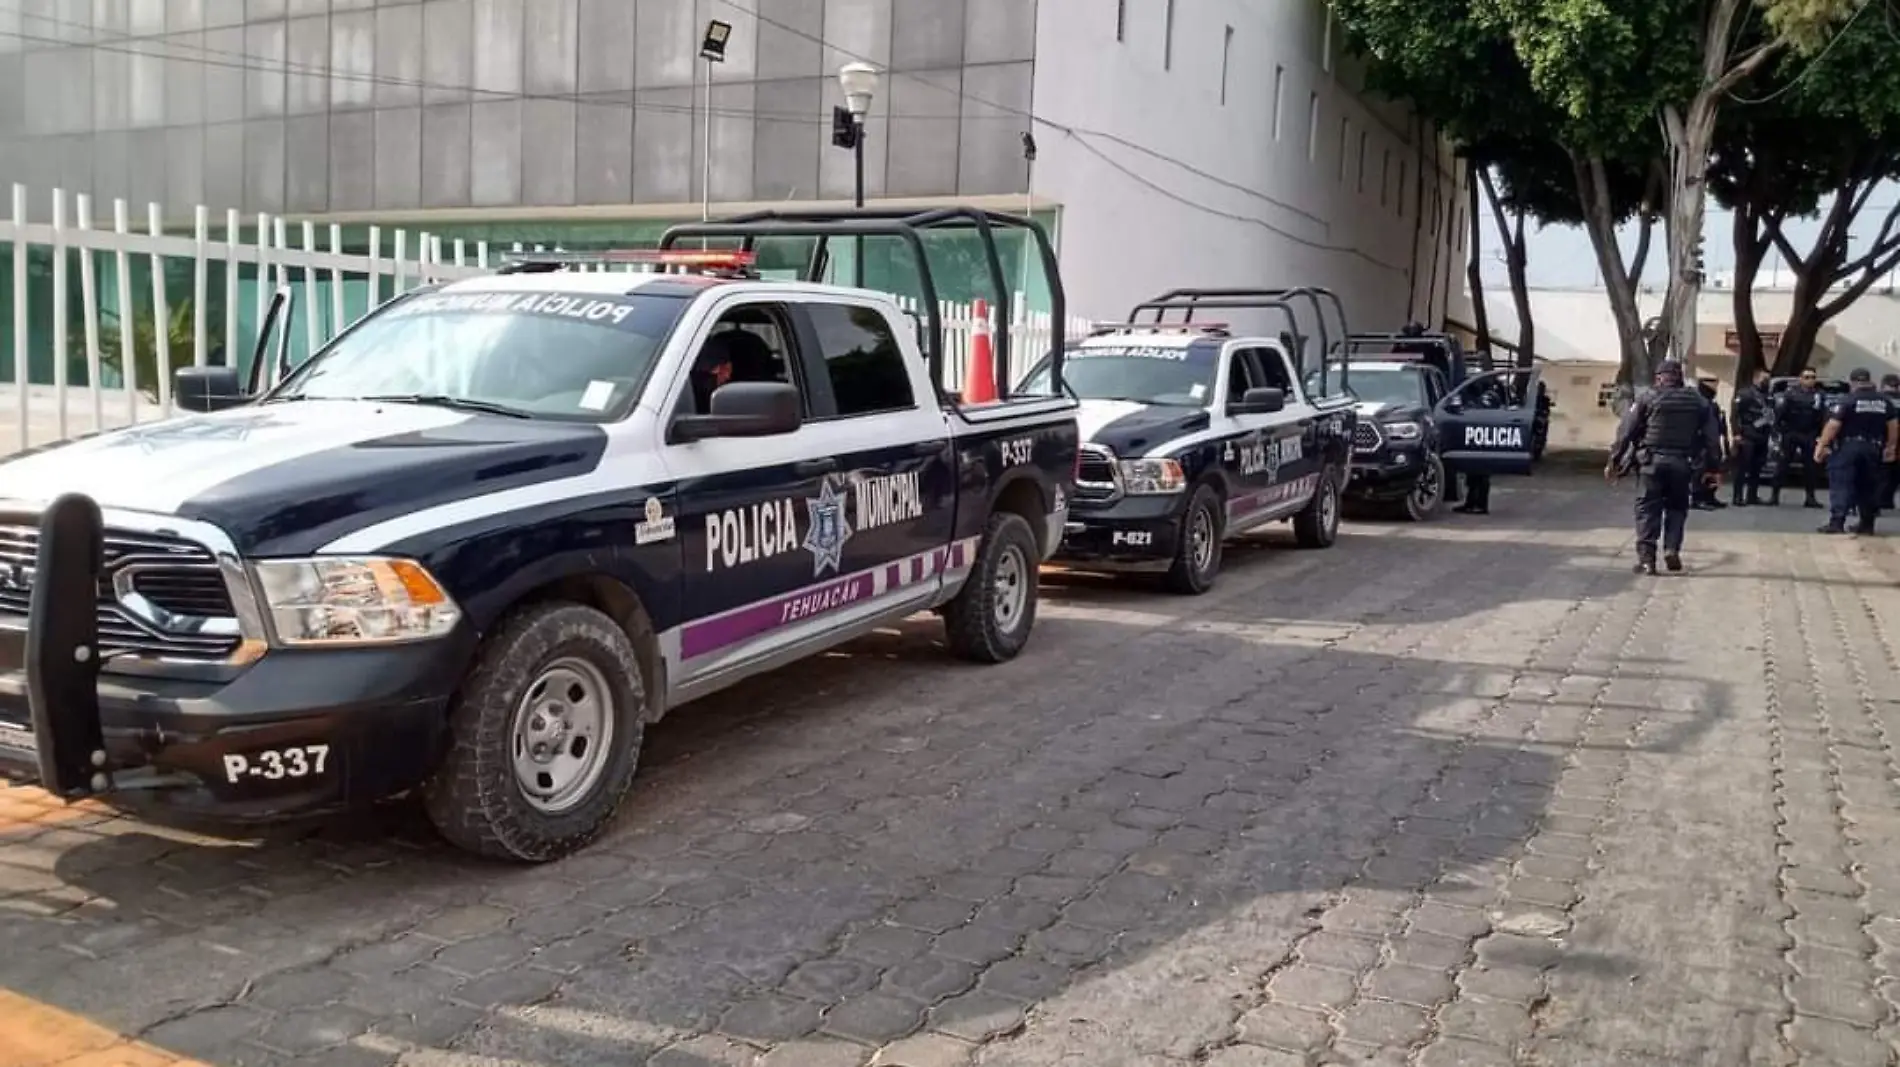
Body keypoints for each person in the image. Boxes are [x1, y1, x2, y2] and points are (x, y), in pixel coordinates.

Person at [1608, 359, 1723, 575]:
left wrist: (1614, 460)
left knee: (1646, 510)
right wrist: (1714, 468)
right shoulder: (1698, 400)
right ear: (1679, 376)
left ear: (1659, 377)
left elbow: (1626, 431)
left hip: (1651, 463)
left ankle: (1647, 560)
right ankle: (1671, 549)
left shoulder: (1648, 398)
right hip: (1683, 463)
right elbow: (1711, 438)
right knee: (1677, 508)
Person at [1813, 367, 1899, 536]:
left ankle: (1837, 522)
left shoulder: (1848, 400)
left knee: (1841, 484)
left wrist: (1821, 445)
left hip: (1849, 447)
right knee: (1869, 486)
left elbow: (1833, 425)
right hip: (1874, 447)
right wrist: (1891, 447)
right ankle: (1867, 524)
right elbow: (1893, 426)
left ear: (1853, 382)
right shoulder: (1884, 402)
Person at [1772, 368, 1827, 508]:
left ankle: (1810, 498)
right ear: (1801, 379)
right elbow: (1780, 414)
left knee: (1811, 468)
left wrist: (1822, 435)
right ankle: (1774, 496)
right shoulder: (1790, 394)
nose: (1810, 380)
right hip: (1792, 433)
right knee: (1783, 465)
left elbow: (1823, 416)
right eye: (1807, 377)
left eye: (1813, 377)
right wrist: (1780, 432)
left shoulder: (1819, 395)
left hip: (1810, 434)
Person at [1729, 368, 1773, 506]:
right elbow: (1735, 415)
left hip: (1762, 435)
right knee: (1742, 467)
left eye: (1768, 379)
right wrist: (1736, 433)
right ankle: (1737, 497)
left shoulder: (1767, 396)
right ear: (1755, 379)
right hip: (1747, 435)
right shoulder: (1745, 394)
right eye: (1764, 379)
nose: (1766, 382)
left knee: (1757, 468)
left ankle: (1752, 496)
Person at [1692, 377, 1729, 510]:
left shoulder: (1711, 403)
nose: (1716, 389)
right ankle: (1697, 498)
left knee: (1712, 470)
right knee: (1700, 471)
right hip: (1701, 442)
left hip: (1712, 441)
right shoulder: (1700, 403)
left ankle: (1709, 496)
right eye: (1713, 386)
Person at [1881, 373, 1900, 510]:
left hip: (1882, 437)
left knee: (1881, 471)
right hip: (1898, 441)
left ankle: (1879, 499)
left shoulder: (1881, 399)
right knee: (1895, 472)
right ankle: (1887, 499)